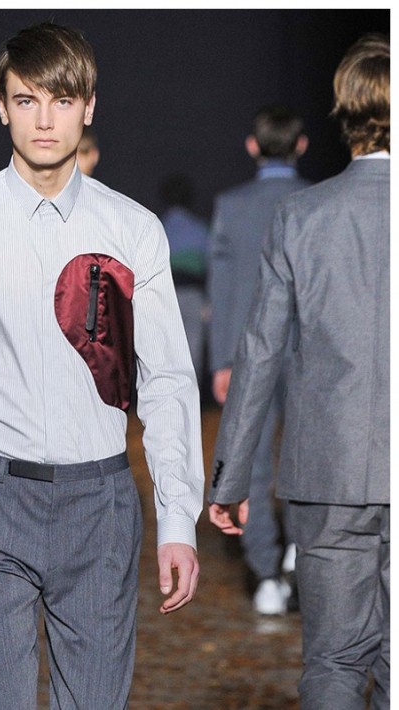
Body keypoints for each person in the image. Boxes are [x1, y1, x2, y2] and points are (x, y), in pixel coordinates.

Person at [0, 21, 204, 708]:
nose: (43, 120)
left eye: (61, 101)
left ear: (88, 107)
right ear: (1, 106)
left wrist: (178, 519)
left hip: (100, 506)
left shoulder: (132, 230)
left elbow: (168, 382)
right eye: (26, 100)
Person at [208, 33, 389, 709]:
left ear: (343, 114)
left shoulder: (302, 216)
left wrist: (229, 478)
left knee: (335, 659)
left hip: (329, 472)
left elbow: (259, 349)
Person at [207, 104, 310, 614]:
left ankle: (267, 573)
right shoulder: (318, 201)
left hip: (250, 351)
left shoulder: (232, 205)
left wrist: (221, 360)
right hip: (310, 349)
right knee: (308, 455)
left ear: (253, 146)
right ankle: (299, 550)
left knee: (253, 463)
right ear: (301, 145)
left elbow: (223, 287)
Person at [159, 173, 209, 386]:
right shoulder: (200, 229)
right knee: (193, 353)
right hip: (193, 296)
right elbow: (211, 269)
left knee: (164, 353)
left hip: (164, 296)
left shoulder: (157, 228)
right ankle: (190, 399)